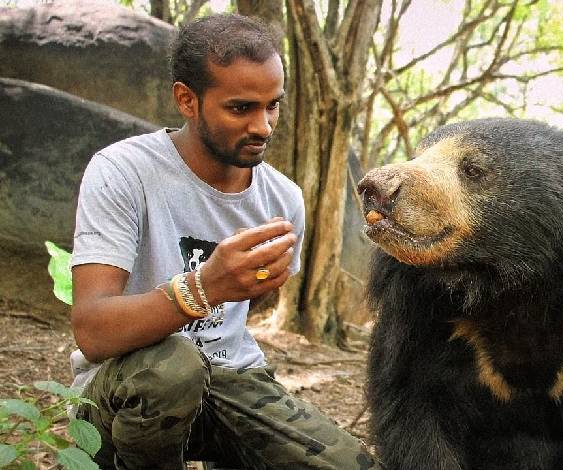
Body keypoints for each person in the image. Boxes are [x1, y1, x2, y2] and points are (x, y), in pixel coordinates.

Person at [69, 13, 380, 470]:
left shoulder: (283, 198)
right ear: (187, 100)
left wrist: (249, 283)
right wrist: (206, 286)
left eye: (272, 105)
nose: (264, 126)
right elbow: (93, 331)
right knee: (173, 367)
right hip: (123, 388)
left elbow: (251, 308)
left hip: (231, 378)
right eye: (241, 108)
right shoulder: (122, 172)